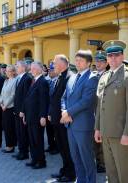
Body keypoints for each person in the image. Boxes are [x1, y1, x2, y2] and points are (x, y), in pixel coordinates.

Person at [94, 40, 128, 183]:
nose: (113, 58)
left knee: (125, 173)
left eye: (116, 55)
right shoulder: (104, 76)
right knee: (111, 172)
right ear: (107, 58)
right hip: (106, 133)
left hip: (122, 134)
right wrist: (97, 128)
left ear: (122, 56)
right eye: (110, 56)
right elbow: (99, 105)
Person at [61, 50, 98, 183]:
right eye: (76, 60)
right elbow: (64, 97)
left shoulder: (92, 78)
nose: (77, 63)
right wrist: (64, 111)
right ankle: (80, 180)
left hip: (83, 125)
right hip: (70, 124)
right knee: (75, 157)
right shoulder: (72, 77)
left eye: (81, 60)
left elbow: (86, 101)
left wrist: (68, 113)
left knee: (86, 158)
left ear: (88, 63)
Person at [49, 54, 76, 182]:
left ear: (62, 64)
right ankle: (64, 170)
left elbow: (68, 99)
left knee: (67, 147)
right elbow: (54, 98)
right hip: (56, 119)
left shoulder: (70, 77)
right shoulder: (60, 76)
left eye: (55, 63)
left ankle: (71, 174)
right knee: (61, 147)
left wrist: (64, 115)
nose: (53, 65)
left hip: (64, 119)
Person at [22, 61, 49, 169]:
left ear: (40, 69)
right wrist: (24, 114)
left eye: (33, 68)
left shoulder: (43, 82)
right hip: (30, 116)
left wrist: (43, 116)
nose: (31, 70)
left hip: (37, 117)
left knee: (38, 140)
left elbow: (44, 101)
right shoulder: (34, 81)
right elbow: (27, 99)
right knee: (32, 140)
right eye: (31, 68)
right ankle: (34, 159)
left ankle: (41, 161)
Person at [13, 61, 32, 161]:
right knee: (19, 132)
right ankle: (21, 151)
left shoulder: (27, 78)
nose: (16, 68)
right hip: (17, 110)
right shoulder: (19, 78)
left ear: (23, 68)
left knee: (23, 132)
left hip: (22, 111)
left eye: (17, 66)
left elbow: (26, 97)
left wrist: (23, 111)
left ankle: (24, 152)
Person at [93, 50, 108, 173]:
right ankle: (97, 161)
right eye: (96, 61)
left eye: (101, 61)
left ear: (106, 63)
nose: (98, 63)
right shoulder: (92, 75)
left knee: (102, 141)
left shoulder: (108, 75)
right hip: (92, 112)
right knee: (94, 139)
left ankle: (102, 164)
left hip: (103, 113)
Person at [0, 65, 17, 153]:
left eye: (10, 71)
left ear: (14, 72)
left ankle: (11, 146)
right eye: (6, 71)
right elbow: (1, 94)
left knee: (10, 127)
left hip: (10, 107)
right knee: (5, 127)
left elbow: (13, 95)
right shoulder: (6, 81)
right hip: (3, 107)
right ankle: (8, 144)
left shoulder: (15, 81)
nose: (7, 72)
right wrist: (1, 103)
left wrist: (5, 105)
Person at [45, 62, 58, 155]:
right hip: (47, 110)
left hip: (54, 111)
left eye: (52, 70)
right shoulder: (48, 81)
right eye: (49, 70)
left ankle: (57, 147)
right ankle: (51, 145)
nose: (50, 71)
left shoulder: (58, 82)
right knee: (49, 130)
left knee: (55, 131)